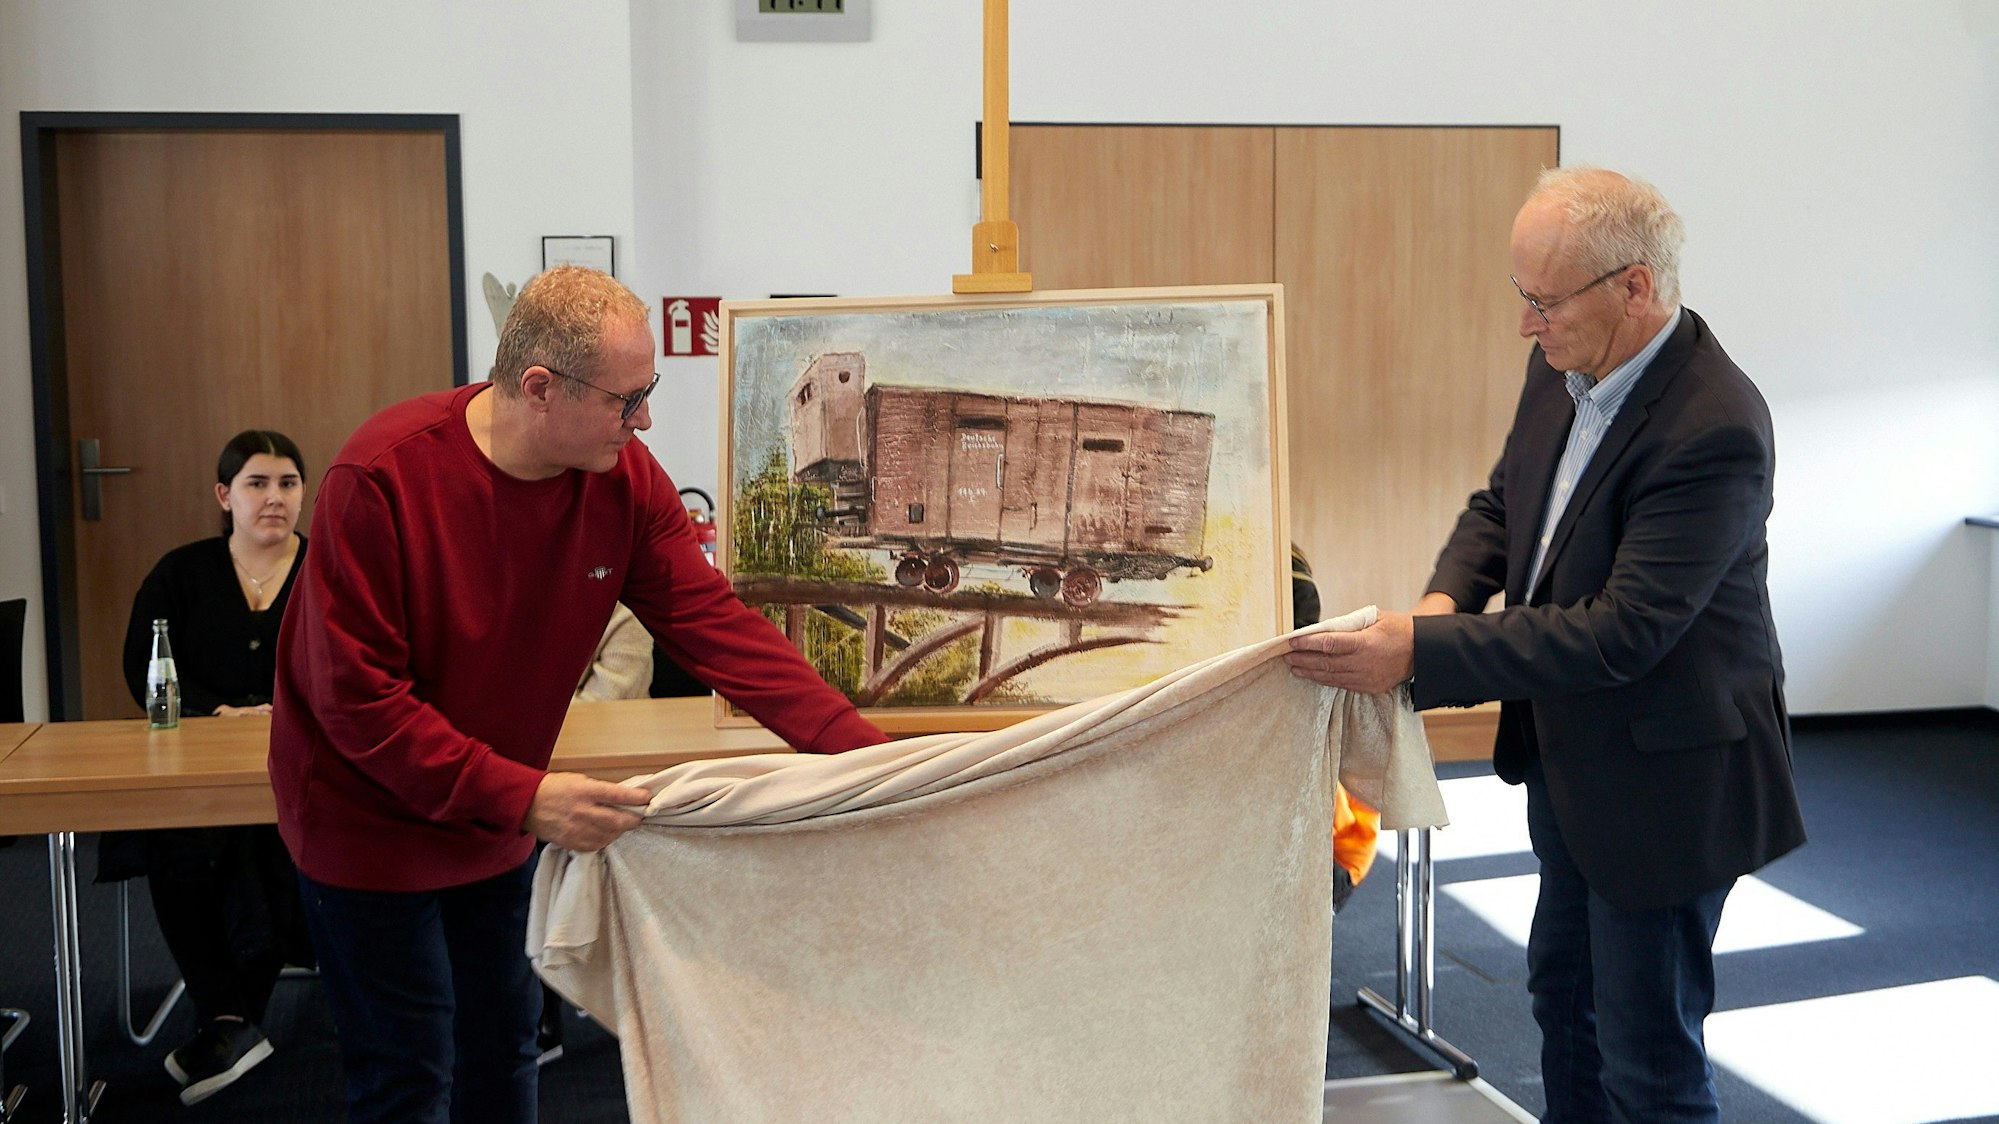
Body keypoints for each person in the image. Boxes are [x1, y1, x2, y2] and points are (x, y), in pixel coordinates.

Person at [267, 265, 888, 1124]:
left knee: (502, 1056)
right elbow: (359, 705)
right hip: (367, 822)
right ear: (539, 388)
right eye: (627, 400)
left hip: (496, 818)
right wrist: (524, 797)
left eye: (648, 393)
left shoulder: (622, 479)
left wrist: (872, 762)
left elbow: (716, 627)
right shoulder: (381, 478)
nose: (645, 422)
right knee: (408, 1075)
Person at [1286, 167, 1805, 1123]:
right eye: (1519, 294)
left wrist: (1422, 649)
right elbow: (1503, 505)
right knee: (1563, 1006)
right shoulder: (1568, 365)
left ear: (1633, 287)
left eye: (1545, 301)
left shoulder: (1714, 427)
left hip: (1668, 782)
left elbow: (1621, 633)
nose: (1525, 323)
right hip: (1573, 759)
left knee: (1647, 1062)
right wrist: (1442, 602)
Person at [103, 429, 314, 1106]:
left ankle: (228, 1019)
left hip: (303, 761)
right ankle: (231, 1015)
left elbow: (365, 662)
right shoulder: (181, 572)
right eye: (257, 483)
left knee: (272, 840)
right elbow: (142, 667)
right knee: (177, 841)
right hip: (195, 759)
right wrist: (214, 711)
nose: (274, 498)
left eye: (287, 483)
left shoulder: (330, 570)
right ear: (225, 495)